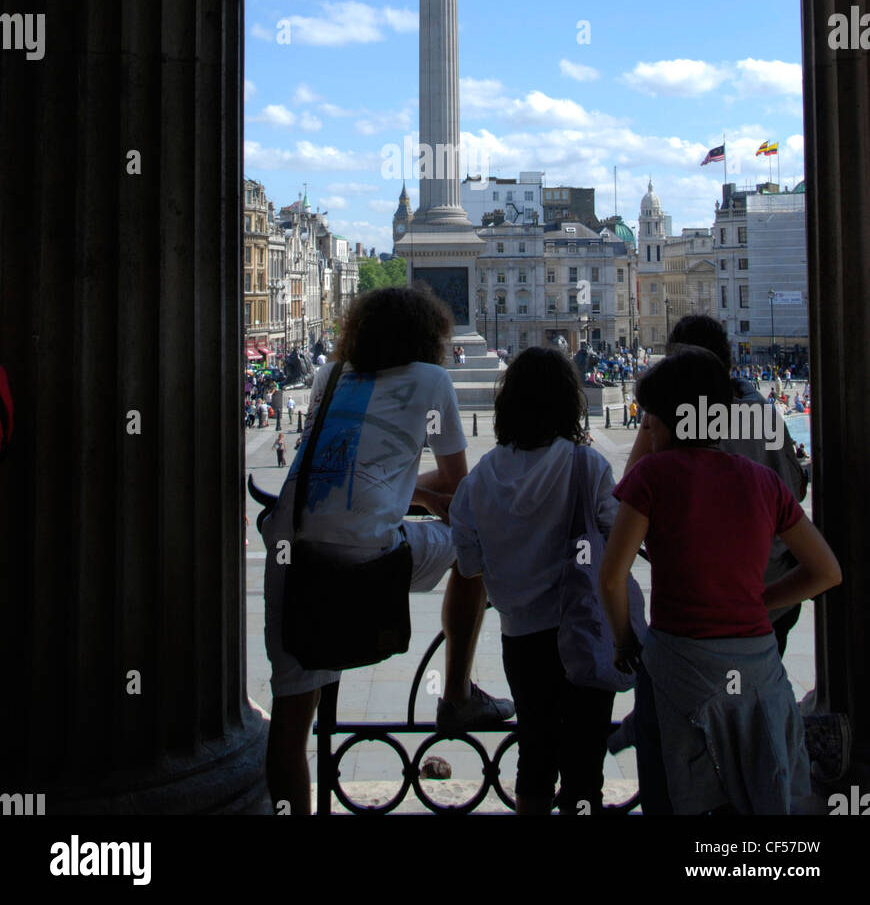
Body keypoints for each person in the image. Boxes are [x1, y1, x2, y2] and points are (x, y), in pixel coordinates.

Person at [262, 285, 513, 815]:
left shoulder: (330, 378)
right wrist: (422, 495)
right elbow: (459, 491)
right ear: (430, 334)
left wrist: (408, 490)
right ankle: (457, 696)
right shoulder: (432, 380)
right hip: (365, 558)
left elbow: (346, 462)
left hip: (291, 549)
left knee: (288, 732)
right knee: (478, 542)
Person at [600, 346, 841, 815]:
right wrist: (757, 601)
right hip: (755, 663)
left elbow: (611, 578)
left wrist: (626, 643)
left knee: (672, 789)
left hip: (678, 662)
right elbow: (826, 571)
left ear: (666, 420)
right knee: (757, 790)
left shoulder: (653, 475)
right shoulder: (762, 482)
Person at [449, 348, 623, 816]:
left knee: (535, 753)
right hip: (584, 630)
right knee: (585, 765)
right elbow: (618, 537)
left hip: (521, 636)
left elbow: (467, 562)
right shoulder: (588, 467)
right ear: (569, 403)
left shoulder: (481, 477)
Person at [627, 315, 808, 656]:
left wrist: (653, 419)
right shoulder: (761, 412)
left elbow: (630, 493)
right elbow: (796, 488)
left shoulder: (679, 422)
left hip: (701, 603)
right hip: (772, 593)